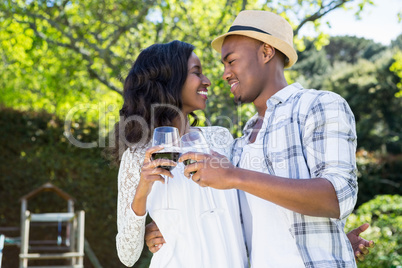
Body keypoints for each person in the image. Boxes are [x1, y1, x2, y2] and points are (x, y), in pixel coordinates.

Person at [176, 10, 369, 267]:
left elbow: (337, 197)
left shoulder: (318, 105)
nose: (224, 73)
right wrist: (161, 228)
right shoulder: (242, 141)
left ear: (266, 53)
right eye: (224, 65)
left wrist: (235, 175)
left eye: (231, 61)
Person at [114, 40, 247, 267]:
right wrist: (142, 193)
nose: (208, 81)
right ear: (169, 81)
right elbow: (127, 255)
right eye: (197, 73)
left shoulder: (221, 139)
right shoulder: (138, 157)